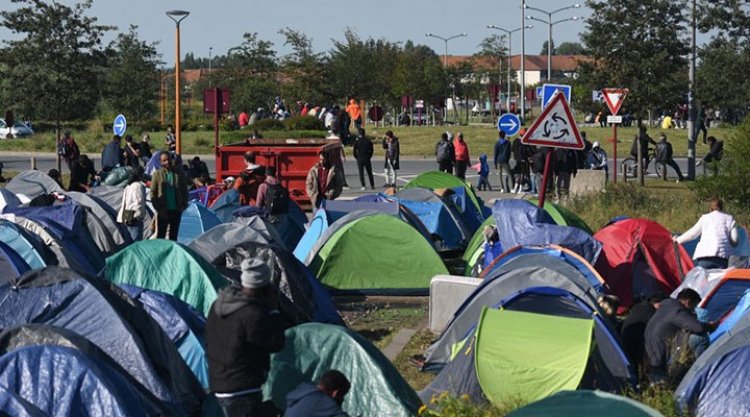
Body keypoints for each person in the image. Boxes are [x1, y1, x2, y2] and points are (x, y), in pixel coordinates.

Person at [206, 258, 285, 417]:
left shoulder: (219, 305)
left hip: (218, 382)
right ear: (264, 286)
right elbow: (276, 342)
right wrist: (274, 311)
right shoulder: (252, 314)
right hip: (242, 388)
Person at [644, 289, 714, 386]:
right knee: (699, 338)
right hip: (661, 358)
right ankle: (703, 371)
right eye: (693, 307)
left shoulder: (667, 307)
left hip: (652, 352)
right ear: (688, 302)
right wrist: (711, 326)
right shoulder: (676, 310)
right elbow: (697, 327)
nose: (693, 310)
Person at [675, 197, 738, 269]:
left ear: (710, 209)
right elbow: (735, 241)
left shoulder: (705, 218)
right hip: (722, 258)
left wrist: (677, 240)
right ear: (722, 208)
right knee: (719, 280)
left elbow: (692, 234)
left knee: (702, 279)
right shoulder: (729, 219)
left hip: (705, 256)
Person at [620, 293, 667, 376]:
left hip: (626, 346)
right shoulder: (649, 313)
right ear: (659, 304)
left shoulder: (640, 308)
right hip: (635, 349)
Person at [150, 152, 188, 240]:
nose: (167, 162)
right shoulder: (157, 174)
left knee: (173, 236)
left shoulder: (179, 173)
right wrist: (159, 209)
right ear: (160, 162)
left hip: (176, 210)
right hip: (163, 210)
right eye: (164, 160)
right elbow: (153, 193)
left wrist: (183, 205)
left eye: (168, 159)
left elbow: (184, 190)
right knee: (161, 236)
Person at [285, 370, 351, 417]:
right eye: (342, 396)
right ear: (335, 393)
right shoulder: (320, 400)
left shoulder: (303, 395)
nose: (342, 400)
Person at [118, 166, 146, 242]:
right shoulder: (139, 185)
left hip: (126, 216)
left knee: (128, 241)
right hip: (135, 218)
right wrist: (139, 215)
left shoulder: (128, 185)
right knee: (135, 242)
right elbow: (139, 201)